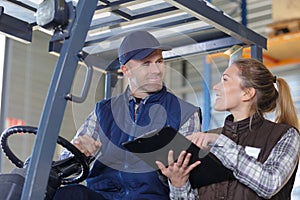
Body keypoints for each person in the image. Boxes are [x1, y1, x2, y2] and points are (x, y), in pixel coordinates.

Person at [53, 30, 202, 200]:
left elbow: (191, 183)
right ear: (126, 70)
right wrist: (79, 154)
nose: (157, 70)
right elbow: (65, 164)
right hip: (104, 196)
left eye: (159, 61)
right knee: (66, 194)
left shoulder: (186, 113)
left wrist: (176, 180)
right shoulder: (104, 111)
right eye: (146, 63)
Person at [156, 58, 300, 199]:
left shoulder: (285, 135)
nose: (216, 87)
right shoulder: (207, 140)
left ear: (247, 93)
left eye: (225, 80)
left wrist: (220, 142)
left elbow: (270, 184)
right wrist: (179, 183)